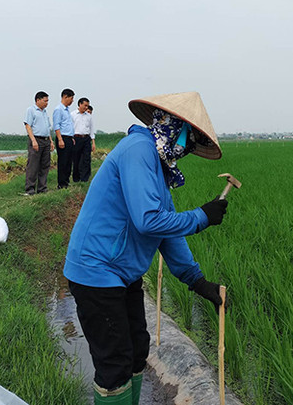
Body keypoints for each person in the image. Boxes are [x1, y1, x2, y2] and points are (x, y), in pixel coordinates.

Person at [63, 92, 229, 404]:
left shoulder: (157, 167)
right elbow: (149, 222)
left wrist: (197, 281)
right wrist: (201, 217)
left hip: (122, 274)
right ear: (173, 127)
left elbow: (166, 233)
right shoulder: (138, 150)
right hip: (96, 271)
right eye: (188, 140)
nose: (187, 149)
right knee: (115, 363)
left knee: (138, 349)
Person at [23, 91, 54, 196]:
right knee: (33, 165)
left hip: (46, 141)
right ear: (38, 100)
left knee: (45, 165)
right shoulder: (31, 110)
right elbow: (28, 126)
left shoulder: (45, 112)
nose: (47, 103)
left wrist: (51, 141)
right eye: (45, 101)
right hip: (36, 140)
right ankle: (30, 189)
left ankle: (42, 188)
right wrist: (33, 140)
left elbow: (47, 128)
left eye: (47, 101)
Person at [53, 88, 75, 189]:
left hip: (69, 138)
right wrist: (60, 139)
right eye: (71, 98)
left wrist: (72, 137)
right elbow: (56, 126)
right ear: (65, 97)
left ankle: (66, 181)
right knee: (63, 161)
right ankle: (61, 184)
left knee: (69, 161)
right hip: (62, 138)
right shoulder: (59, 110)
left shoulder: (67, 111)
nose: (72, 101)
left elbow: (68, 125)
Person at [71, 97, 95, 182]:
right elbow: (70, 128)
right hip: (76, 138)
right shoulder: (73, 115)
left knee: (86, 159)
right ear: (80, 104)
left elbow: (92, 129)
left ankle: (84, 178)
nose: (86, 107)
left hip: (86, 138)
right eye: (85, 105)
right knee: (76, 159)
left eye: (87, 106)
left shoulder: (89, 116)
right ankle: (76, 178)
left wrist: (93, 142)